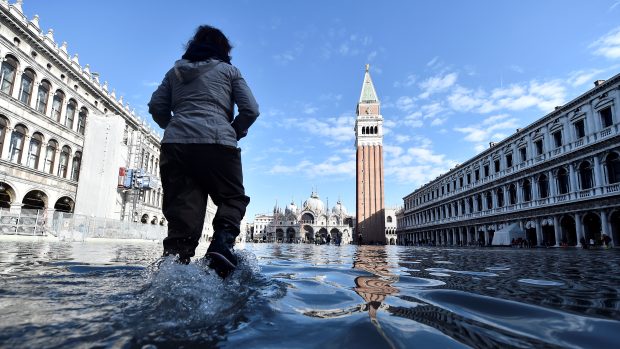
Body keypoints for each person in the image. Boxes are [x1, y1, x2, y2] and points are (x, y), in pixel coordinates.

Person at [148, 25, 259, 277]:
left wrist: (175, 126)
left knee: (183, 211)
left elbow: (156, 106)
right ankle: (221, 244)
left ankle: (174, 267)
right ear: (223, 50)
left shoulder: (174, 73)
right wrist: (235, 130)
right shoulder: (230, 71)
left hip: (176, 146)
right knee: (232, 198)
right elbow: (251, 109)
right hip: (218, 142)